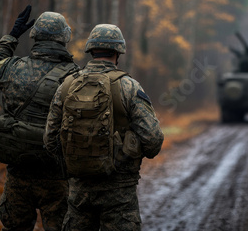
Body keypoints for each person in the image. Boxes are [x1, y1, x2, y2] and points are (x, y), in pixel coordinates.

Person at [44, 24, 164, 230]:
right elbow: (153, 141)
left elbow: (50, 141)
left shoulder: (67, 85)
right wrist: (126, 152)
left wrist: (77, 161)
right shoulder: (129, 86)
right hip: (120, 195)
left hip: (79, 192)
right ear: (118, 52)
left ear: (91, 50)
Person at [0, 5, 79, 230]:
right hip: (57, 176)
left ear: (35, 36)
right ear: (64, 38)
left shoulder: (13, 68)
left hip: (18, 174)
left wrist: (12, 36)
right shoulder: (76, 77)